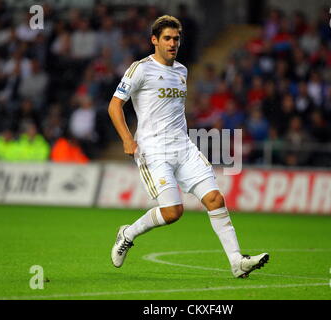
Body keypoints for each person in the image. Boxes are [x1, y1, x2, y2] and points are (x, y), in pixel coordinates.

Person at [107, 15, 269, 278]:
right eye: (167, 38)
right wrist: (127, 138)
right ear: (154, 40)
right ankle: (128, 233)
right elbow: (115, 105)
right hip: (153, 150)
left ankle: (237, 261)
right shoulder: (140, 69)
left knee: (215, 199)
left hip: (184, 147)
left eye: (176, 39)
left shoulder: (182, 71)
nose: (173, 43)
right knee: (173, 212)